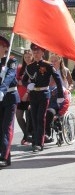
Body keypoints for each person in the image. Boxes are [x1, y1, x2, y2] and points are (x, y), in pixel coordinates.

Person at [22, 43, 64, 152]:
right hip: (33, 95)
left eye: (38, 51)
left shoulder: (48, 65)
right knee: (34, 118)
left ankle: (39, 144)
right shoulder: (30, 66)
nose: (36, 53)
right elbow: (24, 80)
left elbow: (58, 79)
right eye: (34, 51)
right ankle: (36, 140)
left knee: (40, 118)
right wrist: (27, 85)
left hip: (44, 94)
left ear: (42, 52)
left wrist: (60, 95)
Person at [0, 35, 20, 167]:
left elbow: (10, 76)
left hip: (10, 96)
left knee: (7, 127)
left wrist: (1, 89)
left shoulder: (11, 61)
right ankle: (6, 155)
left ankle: (4, 156)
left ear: (5, 48)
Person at [16, 49, 33, 145]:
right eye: (25, 57)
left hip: (31, 96)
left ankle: (27, 137)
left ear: (32, 57)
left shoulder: (34, 67)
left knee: (29, 117)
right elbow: (16, 81)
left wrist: (23, 82)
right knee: (19, 116)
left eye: (29, 57)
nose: (27, 59)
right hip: (21, 96)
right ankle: (27, 135)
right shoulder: (20, 68)